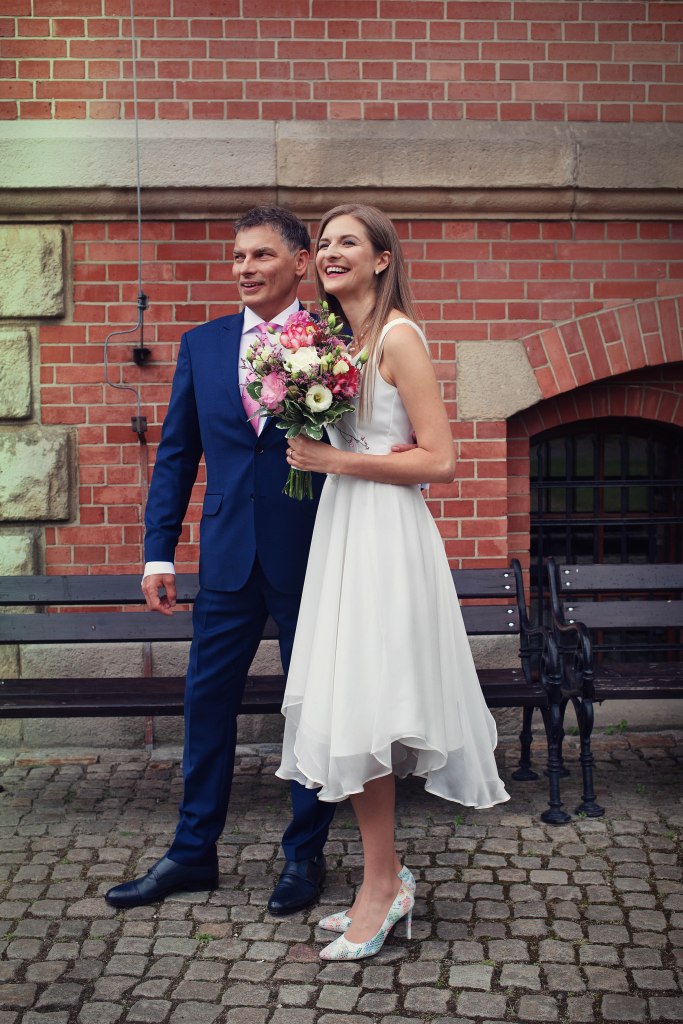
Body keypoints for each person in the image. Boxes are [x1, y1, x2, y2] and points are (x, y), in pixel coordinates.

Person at [275, 203, 510, 961]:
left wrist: (334, 460)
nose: (330, 252)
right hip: (344, 528)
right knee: (349, 702)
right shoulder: (332, 342)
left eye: (348, 241)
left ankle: (381, 888)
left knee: (368, 703)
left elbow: (441, 460)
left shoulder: (398, 338)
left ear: (382, 259)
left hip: (385, 534)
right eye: (324, 242)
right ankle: (384, 878)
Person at [105, 207, 336, 913]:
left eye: (261, 255)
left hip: (313, 554)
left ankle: (305, 857)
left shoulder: (335, 341)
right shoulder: (202, 346)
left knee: (312, 709)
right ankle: (191, 853)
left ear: (300, 263)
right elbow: (177, 455)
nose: (245, 268)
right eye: (238, 256)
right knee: (205, 704)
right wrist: (158, 554)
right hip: (228, 556)